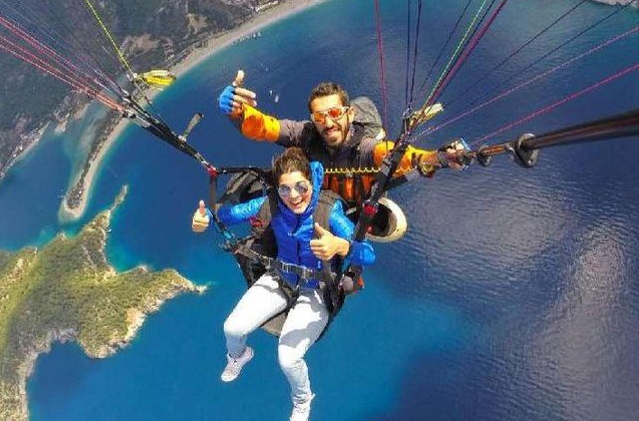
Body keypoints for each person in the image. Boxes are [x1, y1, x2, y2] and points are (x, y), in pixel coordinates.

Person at [192, 147, 375, 421]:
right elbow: (230, 214)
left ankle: (302, 401)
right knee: (232, 328)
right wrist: (205, 218)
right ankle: (239, 356)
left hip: (317, 289)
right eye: (285, 189)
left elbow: (368, 254)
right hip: (281, 278)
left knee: (288, 358)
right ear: (278, 190)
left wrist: (341, 245)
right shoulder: (272, 204)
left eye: (300, 186)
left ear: (310, 182)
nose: (294, 196)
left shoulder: (328, 211)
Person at [218, 71, 470, 205]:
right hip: (316, 195)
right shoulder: (306, 133)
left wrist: (438, 157)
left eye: (335, 114)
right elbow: (266, 127)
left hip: (352, 202)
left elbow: (399, 156)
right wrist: (238, 111)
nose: (327, 123)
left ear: (350, 114)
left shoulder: (366, 149)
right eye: (319, 117)